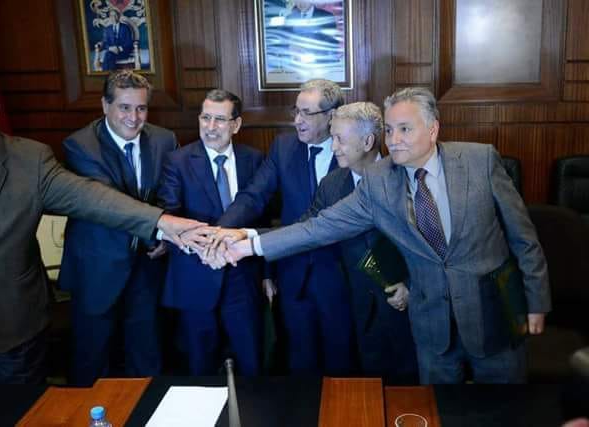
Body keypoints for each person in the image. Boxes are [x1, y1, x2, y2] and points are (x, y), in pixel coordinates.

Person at [217, 87, 551, 384]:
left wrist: (536, 302)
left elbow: (524, 238)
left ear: (432, 129)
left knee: (505, 411)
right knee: (437, 412)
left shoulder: (480, 160)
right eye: (389, 130)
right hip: (432, 329)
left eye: (405, 129)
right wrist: (248, 245)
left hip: (493, 318)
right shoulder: (378, 180)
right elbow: (318, 227)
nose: (393, 140)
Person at [0, 76, 200, 384]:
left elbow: (92, 198)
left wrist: (162, 223)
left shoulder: (29, 160)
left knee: (24, 407)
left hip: (13, 321)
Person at [192, 79, 358, 376]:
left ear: (331, 115)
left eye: (307, 113)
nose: (297, 120)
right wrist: (220, 231)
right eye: (296, 111)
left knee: (344, 366)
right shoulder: (284, 147)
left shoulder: (354, 148)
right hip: (294, 275)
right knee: (299, 365)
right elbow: (253, 197)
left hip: (342, 276)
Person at [58, 70, 177, 385]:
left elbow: (169, 193)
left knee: (147, 360)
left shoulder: (164, 140)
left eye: (141, 108)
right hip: (97, 267)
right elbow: (108, 204)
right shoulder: (80, 146)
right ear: (104, 105)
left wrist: (165, 240)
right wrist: (158, 231)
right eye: (124, 107)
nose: (134, 118)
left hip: (147, 268)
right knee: (92, 363)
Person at [302, 102, 418, 384]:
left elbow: (434, 245)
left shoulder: (408, 177)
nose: (333, 148)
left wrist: (411, 286)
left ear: (367, 142)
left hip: (404, 312)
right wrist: (249, 238)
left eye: (340, 139)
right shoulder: (331, 184)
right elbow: (305, 229)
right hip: (351, 313)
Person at [157, 89, 265, 375]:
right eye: (205, 118)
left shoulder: (254, 159)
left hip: (242, 278)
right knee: (199, 369)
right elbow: (169, 215)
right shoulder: (177, 161)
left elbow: (264, 217)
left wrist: (268, 274)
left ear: (236, 125)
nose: (210, 127)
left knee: (251, 365)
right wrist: (208, 247)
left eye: (219, 119)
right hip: (195, 277)